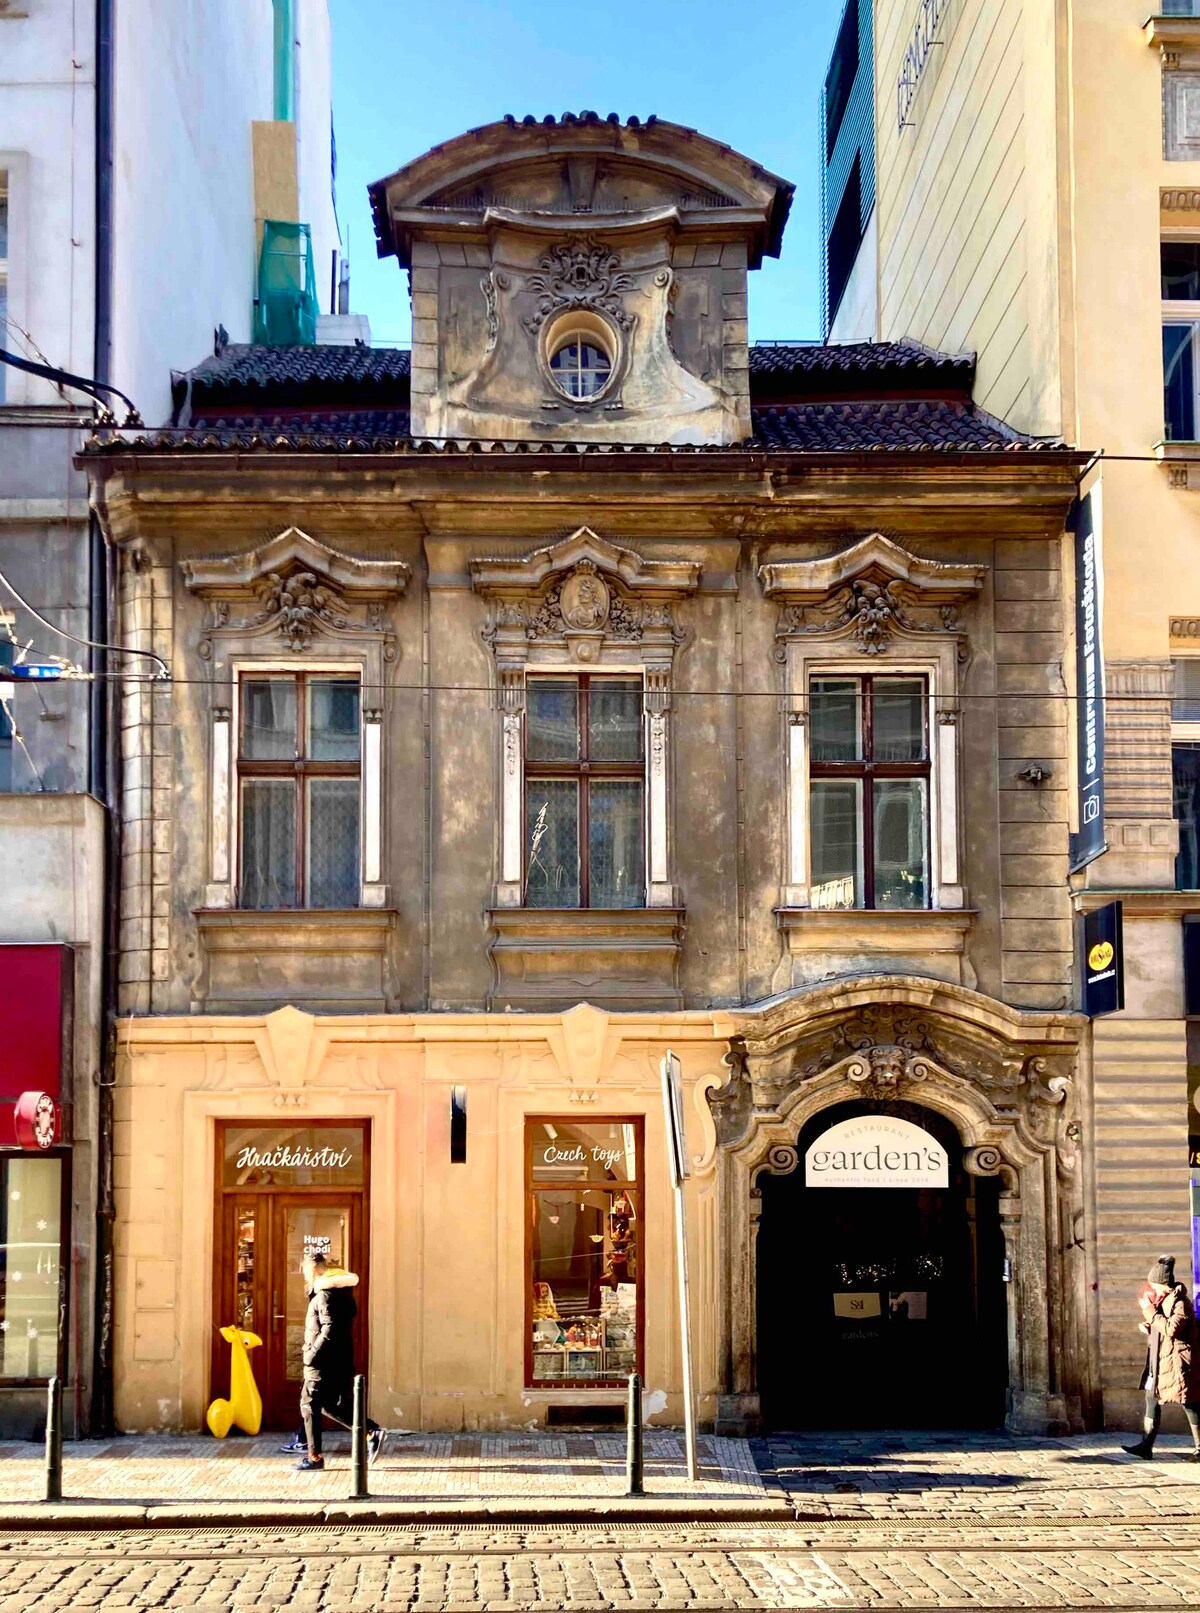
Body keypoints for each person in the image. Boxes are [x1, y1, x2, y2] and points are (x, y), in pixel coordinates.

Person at [293, 1252, 385, 1471]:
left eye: (306, 1273)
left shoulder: (325, 1295)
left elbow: (330, 1328)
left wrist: (311, 1354)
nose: (306, 1279)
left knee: (309, 1405)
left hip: (323, 1362)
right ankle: (370, 1431)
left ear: (314, 1271)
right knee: (329, 1406)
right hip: (338, 1360)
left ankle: (314, 1458)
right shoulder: (340, 1293)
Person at [1123, 1255, 1200, 1462]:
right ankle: (1146, 1445)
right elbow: (1161, 1326)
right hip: (1160, 1360)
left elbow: (1171, 1328)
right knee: (1151, 1398)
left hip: (1178, 1361)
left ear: (1164, 1285)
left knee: (1190, 1401)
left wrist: (1149, 1312)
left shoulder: (1180, 1301)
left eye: (1155, 1286)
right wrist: (1148, 1327)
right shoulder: (1163, 1300)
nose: (1153, 1290)